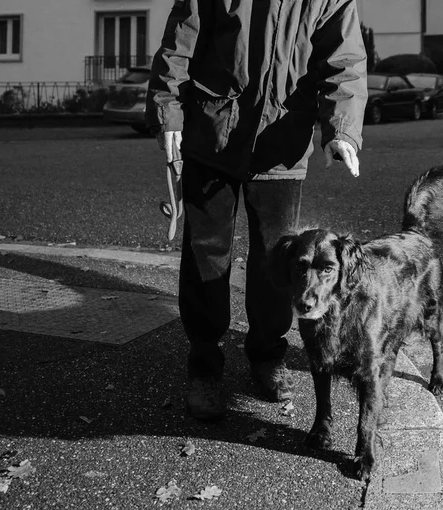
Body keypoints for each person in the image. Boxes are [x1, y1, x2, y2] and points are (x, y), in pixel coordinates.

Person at [146, 0, 367, 420]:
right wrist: (167, 112)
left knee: (278, 261)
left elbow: (345, 62)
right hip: (210, 136)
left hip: (281, 145)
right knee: (205, 257)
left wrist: (341, 131)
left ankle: (267, 356)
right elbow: (178, 44)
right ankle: (205, 365)